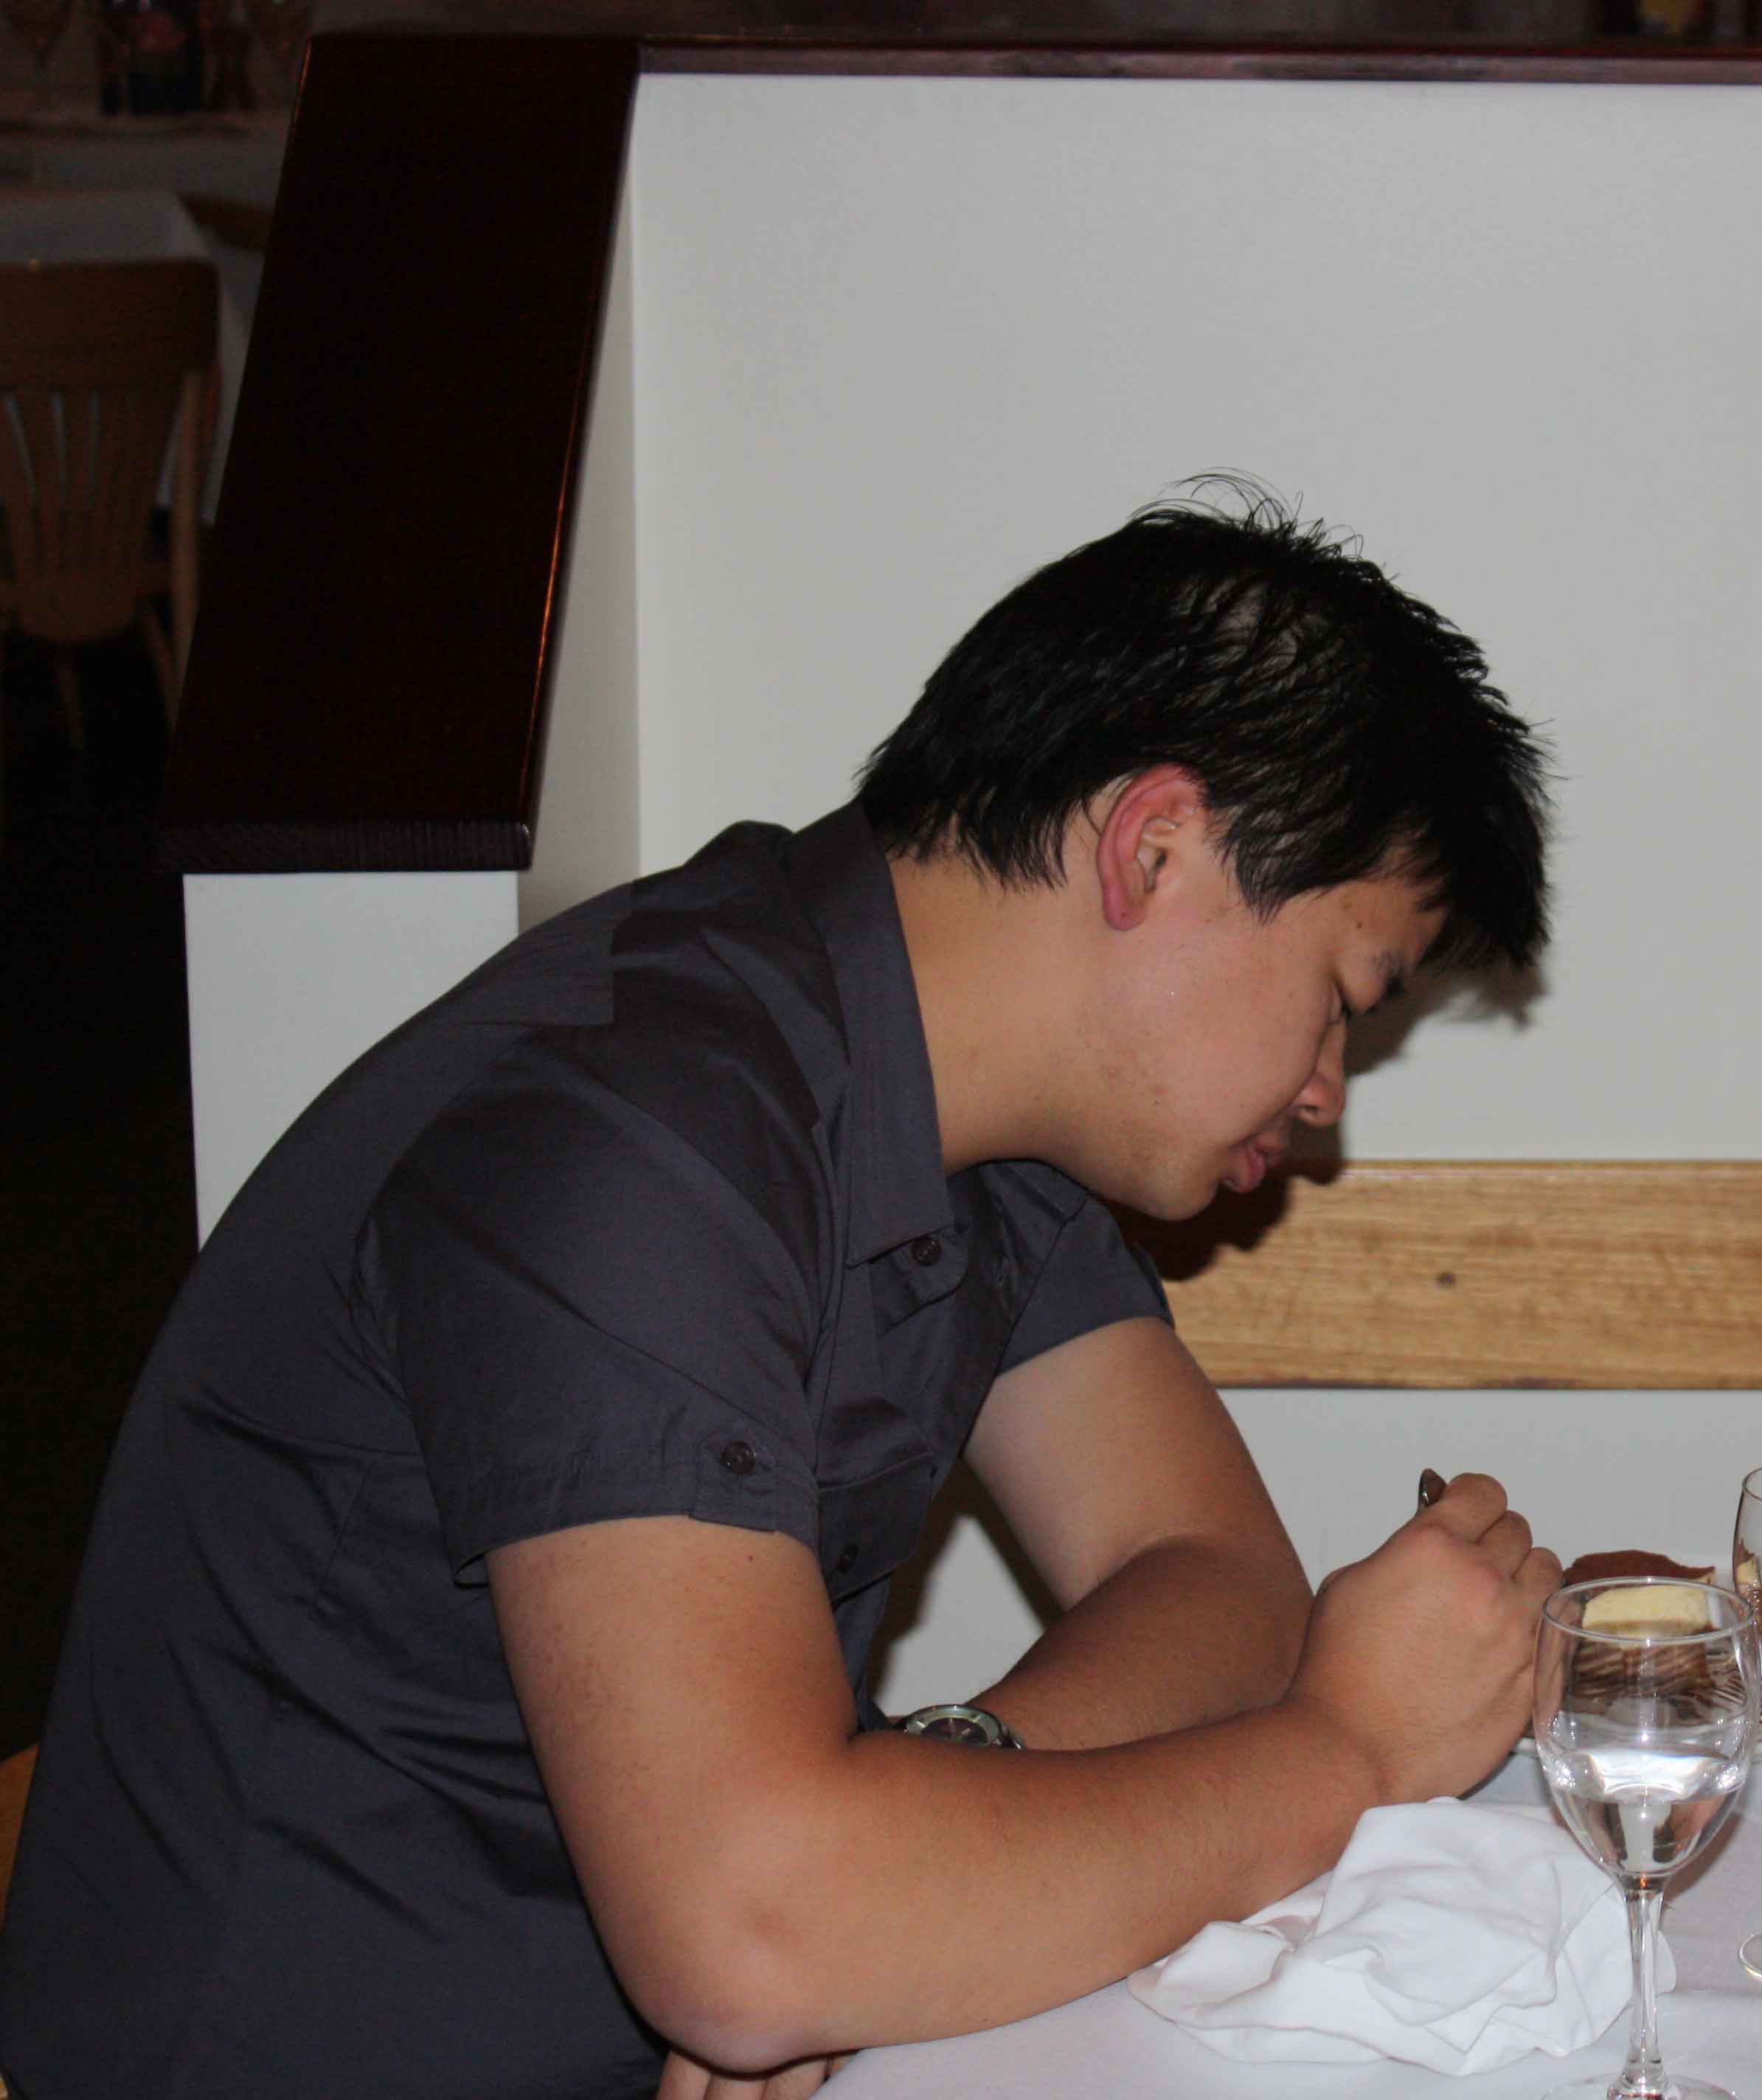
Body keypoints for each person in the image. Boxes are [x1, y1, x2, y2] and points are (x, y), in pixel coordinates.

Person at [0, 491, 1564, 2099]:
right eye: (1343, 997)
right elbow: (752, 1944)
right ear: (1152, 845)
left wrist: (905, 1856)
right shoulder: (634, 1130)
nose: (1325, 1091)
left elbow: (1217, 1584)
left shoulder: (976, 1122)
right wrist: (1344, 1754)